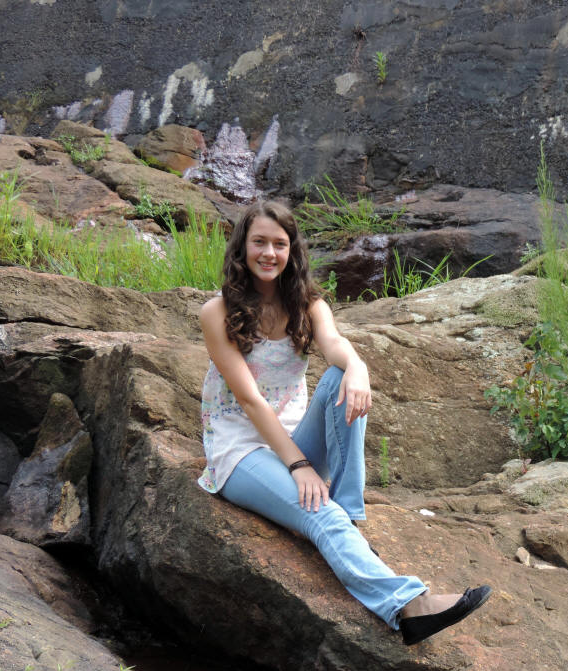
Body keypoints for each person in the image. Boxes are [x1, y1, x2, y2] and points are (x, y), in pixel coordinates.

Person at [197, 199, 490, 645]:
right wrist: (299, 466)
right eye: (259, 242)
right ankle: (407, 607)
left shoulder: (307, 304)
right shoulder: (216, 312)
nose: (270, 253)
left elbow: (334, 344)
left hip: (293, 438)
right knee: (320, 516)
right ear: (242, 247)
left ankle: (348, 513)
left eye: (280, 244)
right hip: (241, 453)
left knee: (339, 378)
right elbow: (250, 401)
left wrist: (357, 367)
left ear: (292, 250)